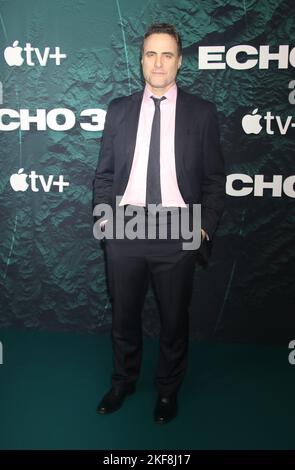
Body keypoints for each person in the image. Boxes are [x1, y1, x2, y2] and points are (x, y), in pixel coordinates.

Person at [92, 23, 225, 424]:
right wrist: (104, 220)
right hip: (126, 226)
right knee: (123, 315)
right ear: (141, 59)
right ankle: (123, 381)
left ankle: (168, 391)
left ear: (180, 61)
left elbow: (215, 179)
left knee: (174, 318)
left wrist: (202, 226)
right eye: (151, 54)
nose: (159, 62)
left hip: (177, 226)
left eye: (167, 54)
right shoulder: (119, 110)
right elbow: (103, 175)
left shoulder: (201, 113)